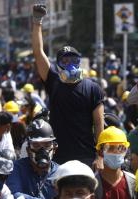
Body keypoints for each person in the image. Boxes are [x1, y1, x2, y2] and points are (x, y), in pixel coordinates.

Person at [32, 4, 104, 166]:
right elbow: (38, 52)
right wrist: (37, 21)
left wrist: (100, 156)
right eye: (64, 61)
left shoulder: (92, 88)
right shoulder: (53, 81)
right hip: (58, 157)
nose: (70, 64)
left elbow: (99, 125)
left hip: (87, 156)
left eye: (73, 60)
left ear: (79, 62)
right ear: (58, 65)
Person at [6, 119, 59, 199]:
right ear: (28, 150)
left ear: (54, 149)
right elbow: (14, 195)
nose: (42, 151)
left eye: (47, 145)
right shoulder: (16, 168)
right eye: (36, 145)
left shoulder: (60, 173)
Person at [95, 126, 137, 199]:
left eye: (120, 148)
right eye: (110, 148)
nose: (116, 152)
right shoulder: (93, 185)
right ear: (100, 152)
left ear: (126, 151)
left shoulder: (133, 182)